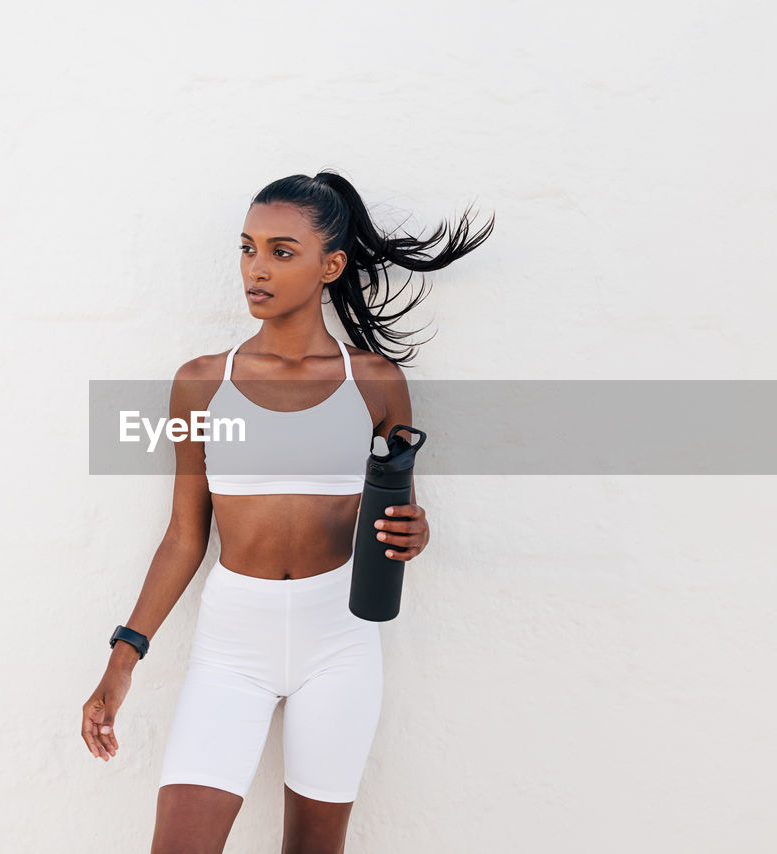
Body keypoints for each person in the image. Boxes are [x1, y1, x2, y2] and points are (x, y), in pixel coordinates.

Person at [82, 170, 494, 854]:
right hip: (230, 645)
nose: (256, 269)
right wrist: (126, 653)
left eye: (281, 251)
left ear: (330, 265)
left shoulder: (376, 384)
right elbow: (186, 535)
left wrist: (413, 532)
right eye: (247, 248)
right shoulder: (199, 384)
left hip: (339, 639)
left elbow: (394, 518)